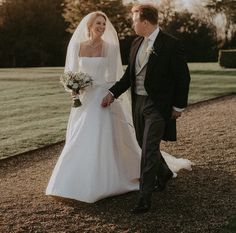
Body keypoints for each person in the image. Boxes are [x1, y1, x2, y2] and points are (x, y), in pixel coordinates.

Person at [46, 11, 192, 205]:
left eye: (103, 24)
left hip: (104, 96)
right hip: (85, 99)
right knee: (80, 137)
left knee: (125, 140)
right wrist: (73, 88)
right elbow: (70, 73)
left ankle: (136, 191)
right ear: (89, 25)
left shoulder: (112, 48)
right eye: (98, 23)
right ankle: (74, 180)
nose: (101, 27)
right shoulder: (77, 46)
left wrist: (110, 94)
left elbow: (118, 76)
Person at [102, 4, 191, 213]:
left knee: (149, 149)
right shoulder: (136, 43)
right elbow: (128, 77)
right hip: (138, 102)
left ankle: (144, 196)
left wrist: (178, 106)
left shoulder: (171, 44)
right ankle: (165, 172)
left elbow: (183, 78)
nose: (132, 24)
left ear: (145, 22)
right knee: (144, 145)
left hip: (158, 106)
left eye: (134, 20)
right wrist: (112, 93)